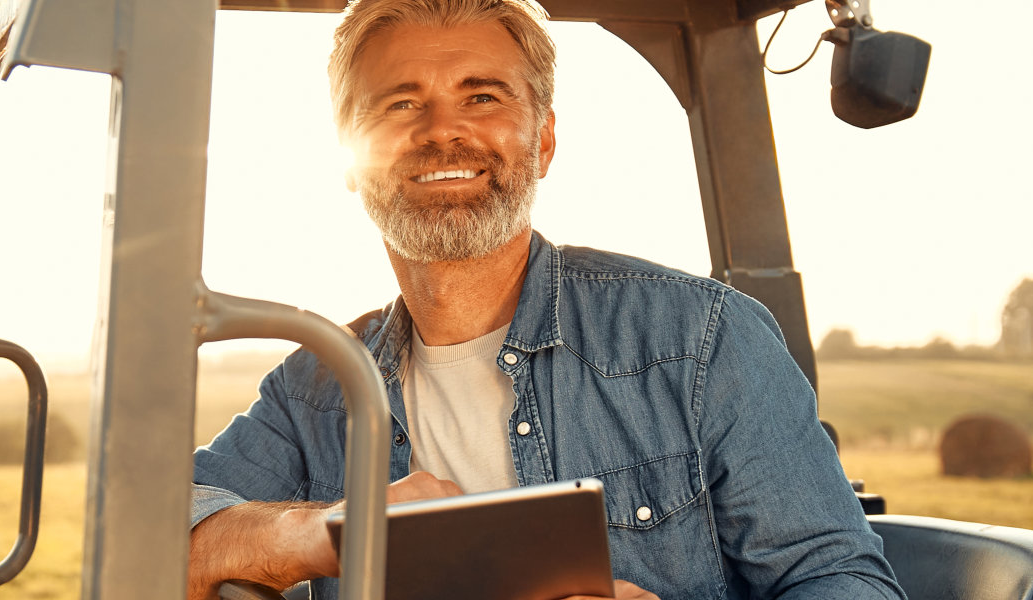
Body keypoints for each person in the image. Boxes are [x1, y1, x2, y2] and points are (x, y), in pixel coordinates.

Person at [187, 0, 904, 598]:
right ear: (350, 154)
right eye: (401, 102)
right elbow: (156, 531)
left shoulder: (702, 342)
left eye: (482, 96)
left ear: (545, 140)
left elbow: (844, 582)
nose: (443, 130)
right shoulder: (316, 389)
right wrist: (324, 531)